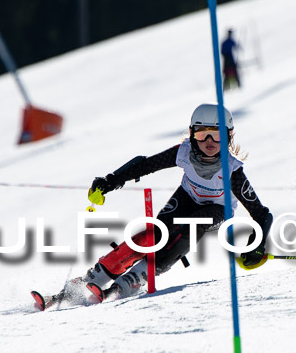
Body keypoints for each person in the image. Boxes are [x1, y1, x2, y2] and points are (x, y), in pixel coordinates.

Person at [67, 104, 272, 305]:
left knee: (188, 227)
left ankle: (133, 280)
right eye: (202, 134)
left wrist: (256, 246)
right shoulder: (183, 152)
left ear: (229, 136)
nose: (209, 141)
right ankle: (93, 279)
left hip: (218, 209)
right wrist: (112, 180)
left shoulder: (232, 171)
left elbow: (261, 214)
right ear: (192, 134)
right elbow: (146, 164)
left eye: (217, 135)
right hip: (187, 197)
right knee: (153, 235)